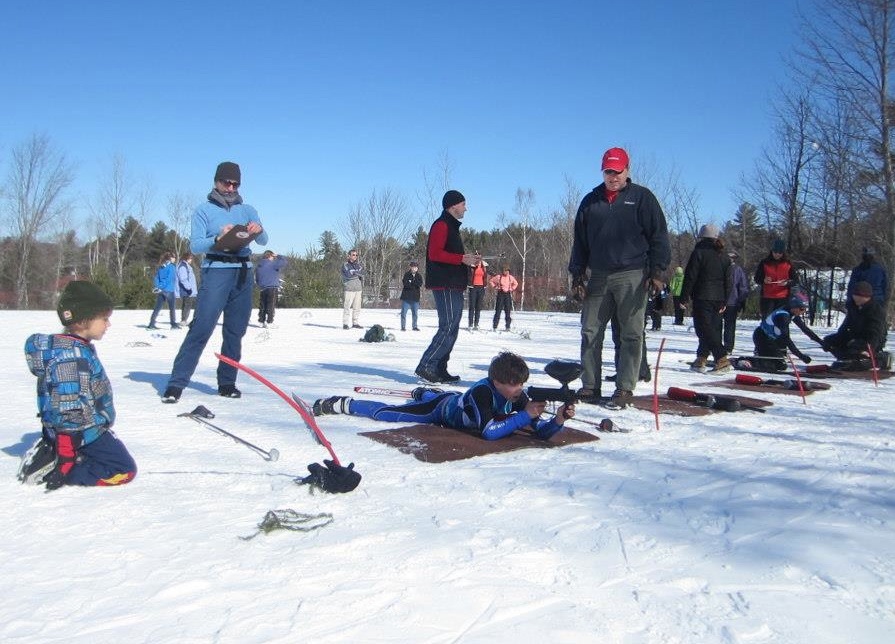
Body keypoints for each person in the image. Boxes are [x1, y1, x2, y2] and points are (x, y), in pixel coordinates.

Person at [568, 147, 670, 408]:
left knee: (631, 333)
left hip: (632, 274)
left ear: (627, 171)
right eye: (608, 171)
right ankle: (590, 385)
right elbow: (579, 242)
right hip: (599, 275)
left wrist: (657, 272)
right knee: (590, 330)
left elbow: (658, 236)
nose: (612, 176)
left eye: (617, 171)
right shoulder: (591, 201)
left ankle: (625, 387)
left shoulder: (642, 198)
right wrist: (577, 275)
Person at [161, 161, 268, 403]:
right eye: (225, 182)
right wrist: (216, 238)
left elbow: (263, 240)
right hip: (216, 270)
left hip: (242, 271)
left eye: (235, 184)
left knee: (235, 331)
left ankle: (227, 382)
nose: (230, 188)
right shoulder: (203, 210)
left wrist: (258, 229)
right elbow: (195, 245)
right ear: (216, 182)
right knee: (202, 327)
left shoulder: (248, 209)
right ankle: (176, 384)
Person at [19, 281, 137, 489]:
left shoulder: (74, 348)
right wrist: (65, 461)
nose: (108, 324)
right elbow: (68, 409)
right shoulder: (71, 358)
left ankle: (57, 449)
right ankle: (61, 466)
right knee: (124, 470)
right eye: (104, 319)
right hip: (81, 432)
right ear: (83, 321)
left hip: (81, 428)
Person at [314, 352, 574, 441]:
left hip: (454, 400)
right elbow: (489, 432)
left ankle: (424, 392)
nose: (520, 389)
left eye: (522, 384)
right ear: (497, 382)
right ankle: (345, 403)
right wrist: (524, 415)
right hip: (439, 410)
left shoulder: (518, 395)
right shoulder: (484, 391)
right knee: (389, 414)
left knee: (436, 395)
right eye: (514, 384)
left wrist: (558, 421)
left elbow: (539, 432)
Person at [415, 190, 480, 384]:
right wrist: (461, 258)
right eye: (463, 204)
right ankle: (427, 365)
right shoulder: (441, 224)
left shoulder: (451, 226)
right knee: (448, 326)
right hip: (445, 284)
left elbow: (449, 255)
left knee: (452, 327)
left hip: (453, 284)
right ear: (453, 206)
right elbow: (435, 254)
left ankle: (439, 368)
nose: (465, 208)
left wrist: (466, 260)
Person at [679, 224, 732, 373]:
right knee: (711, 328)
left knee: (704, 329)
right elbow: (729, 280)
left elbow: (690, 276)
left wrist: (683, 297)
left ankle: (721, 357)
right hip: (719, 297)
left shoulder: (699, 252)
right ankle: (701, 358)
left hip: (703, 295)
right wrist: (725, 300)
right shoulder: (724, 256)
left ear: (701, 236)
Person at [746, 289, 823, 372]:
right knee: (780, 366)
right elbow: (786, 339)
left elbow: (805, 329)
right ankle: (748, 361)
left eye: (804, 309)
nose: (803, 312)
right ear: (794, 307)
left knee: (779, 358)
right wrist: (800, 356)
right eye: (802, 309)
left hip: (773, 339)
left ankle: (764, 354)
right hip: (762, 338)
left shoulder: (791, 312)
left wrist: (821, 342)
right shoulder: (783, 317)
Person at [822, 281, 889, 367]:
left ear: (868, 297)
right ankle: (846, 359)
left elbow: (875, 334)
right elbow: (845, 328)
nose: (857, 299)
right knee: (829, 341)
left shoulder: (875, 310)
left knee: (855, 349)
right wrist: (832, 341)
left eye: (860, 297)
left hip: (868, 341)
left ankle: (869, 359)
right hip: (853, 338)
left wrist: (868, 348)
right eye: (855, 296)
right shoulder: (853, 307)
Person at [754, 239, 797, 317]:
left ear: (783, 253)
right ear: (772, 251)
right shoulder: (764, 263)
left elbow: (795, 280)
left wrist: (787, 283)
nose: (777, 254)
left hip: (783, 298)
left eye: (780, 253)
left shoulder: (788, 263)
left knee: (781, 322)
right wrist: (763, 280)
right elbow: (757, 278)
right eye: (775, 252)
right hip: (767, 298)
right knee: (767, 322)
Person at [723, 250, 750, 354]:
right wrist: (741, 301)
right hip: (732, 301)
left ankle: (719, 346)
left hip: (724, 301)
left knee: (719, 325)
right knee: (729, 326)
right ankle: (728, 347)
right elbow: (743, 287)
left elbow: (743, 288)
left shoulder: (721, 268)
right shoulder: (738, 270)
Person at [255, 250, 287, 327]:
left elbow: (257, 278)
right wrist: (278, 256)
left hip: (263, 288)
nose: (274, 258)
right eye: (273, 257)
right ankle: (270, 322)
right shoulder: (272, 264)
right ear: (270, 256)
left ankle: (261, 321)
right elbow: (284, 262)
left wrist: (260, 285)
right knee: (271, 305)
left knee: (262, 305)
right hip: (272, 287)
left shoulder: (259, 265)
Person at [147, 252, 179, 330]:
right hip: (169, 290)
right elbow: (169, 279)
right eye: (173, 257)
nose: (175, 259)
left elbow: (156, 278)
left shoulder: (161, 266)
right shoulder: (171, 267)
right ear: (170, 258)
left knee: (157, 308)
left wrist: (158, 287)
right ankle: (173, 324)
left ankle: (151, 323)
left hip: (161, 291)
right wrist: (162, 287)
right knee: (172, 308)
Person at [490, 265, 518, 330]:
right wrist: (495, 287)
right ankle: (495, 326)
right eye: (505, 270)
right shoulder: (499, 277)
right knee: (498, 311)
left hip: (507, 294)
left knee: (508, 311)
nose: (506, 272)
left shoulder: (511, 277)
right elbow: (491, 281)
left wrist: (512, 289)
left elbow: (516, 283)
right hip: (500, 294)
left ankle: (508, 326)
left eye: (507, 271)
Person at [341, 249, 364, 330]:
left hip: (358, 289)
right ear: (349, 256)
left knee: (357, 307)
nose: (355, 256)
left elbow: (362, 273)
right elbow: (348, 275)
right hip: (349, 289)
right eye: (353, 255)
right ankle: (345, 323)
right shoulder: (345, 265)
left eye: (356, 255)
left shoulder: (359, 265)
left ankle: (355, 323)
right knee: (347, 307)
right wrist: (356, 273)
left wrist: (354, 272)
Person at [400, 260, 423, 331]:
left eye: (415, 267)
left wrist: (411, 282)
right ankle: (403, 327)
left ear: (417, 268)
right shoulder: (406, 275)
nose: (414, 268)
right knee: (403, 313)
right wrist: (413, 284)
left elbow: (419, 284)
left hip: (415, 299)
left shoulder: (419, 276)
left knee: (415, 314)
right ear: (410, 267)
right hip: (406, 298)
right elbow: (406, 284)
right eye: (413, 267)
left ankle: (414, 326)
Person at [467, 256, 489, 329]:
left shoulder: (484, 266)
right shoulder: (471, 266)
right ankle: (470, 323)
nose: (478, 259)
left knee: (478, 306)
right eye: (476, 258)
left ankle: (476, 323)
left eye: (479, 258)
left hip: (481, 287)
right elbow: (468, 274)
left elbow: (486, 275)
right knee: (472, 306)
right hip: (473, 287)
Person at [177, 252, 198, 325]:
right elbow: (183, 279)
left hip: (189, 290)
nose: (191, 260)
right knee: (187, 305)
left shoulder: (186, 266)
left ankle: (184, 319)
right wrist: (189, 288)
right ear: (187, 258)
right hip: (187, 290)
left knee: (187, 305)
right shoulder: (183, 266)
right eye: (190, 259)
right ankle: (183, 320)